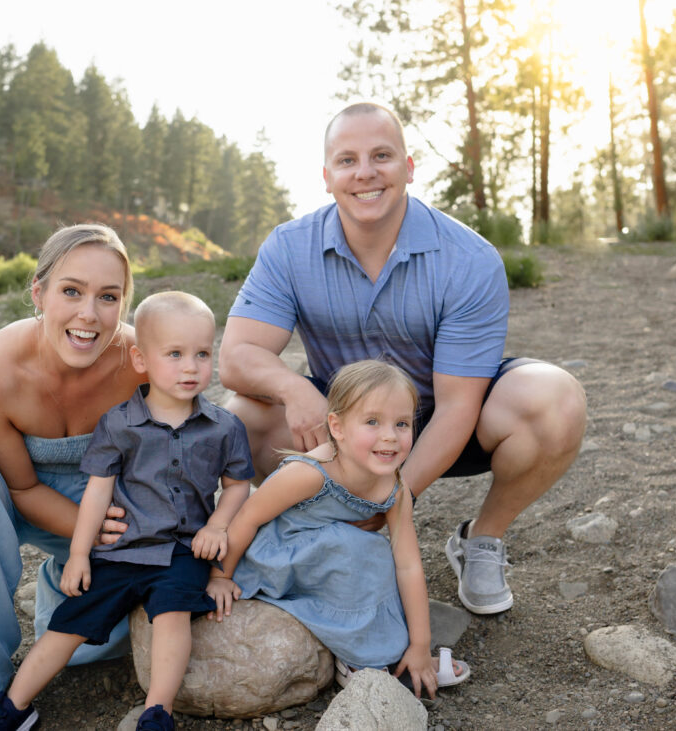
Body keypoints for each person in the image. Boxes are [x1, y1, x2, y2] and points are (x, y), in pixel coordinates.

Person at [218, 102, 587, 617]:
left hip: (448, 417)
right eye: (347, 160)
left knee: (556, 400)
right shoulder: (288, 248)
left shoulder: (469, 258)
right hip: (343, 425)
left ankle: (481, 541)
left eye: (382, 156)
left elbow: (460, 405)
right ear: (327, 177)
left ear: (409, 167)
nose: (365, 172)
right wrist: (295, 389)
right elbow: (235, 357)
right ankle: (317, 534)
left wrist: (390, 502)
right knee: (238, 416)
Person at [0, 290, 254, 731]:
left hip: (181, 551)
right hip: (120, 550)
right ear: (140, 359)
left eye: (202, 354)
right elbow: (97, 494)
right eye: (175, 354)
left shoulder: (223, 427)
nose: (190, 367)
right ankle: (14, 706)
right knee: (69, 621)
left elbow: (238, 485)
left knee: (172, 614)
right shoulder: (119, 423)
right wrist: (81, 554)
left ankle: (158, 711)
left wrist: (218, 526)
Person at [0, 223, 147, 730]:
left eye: (108, 296)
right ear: (38, 292)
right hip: (2, 487)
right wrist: (88, 526)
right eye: (71, 291)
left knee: (101, 643)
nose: (88, 315)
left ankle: (61, 592)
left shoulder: (140, 363)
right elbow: (23, 488)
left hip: (101, 490)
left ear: (125, 302)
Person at [207, 360, 470, 703]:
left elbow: (409, 564)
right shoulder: (311, 472)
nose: (390, 435)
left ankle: (408, 655)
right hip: (275, 555)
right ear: (338, 426)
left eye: (402, 423)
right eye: (373, 422)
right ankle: (359, 661)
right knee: (362, 549)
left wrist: (421, 644)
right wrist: (220, 576)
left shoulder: (395, 488)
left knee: (380, 560)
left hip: (330, 559)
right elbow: (247, 519)